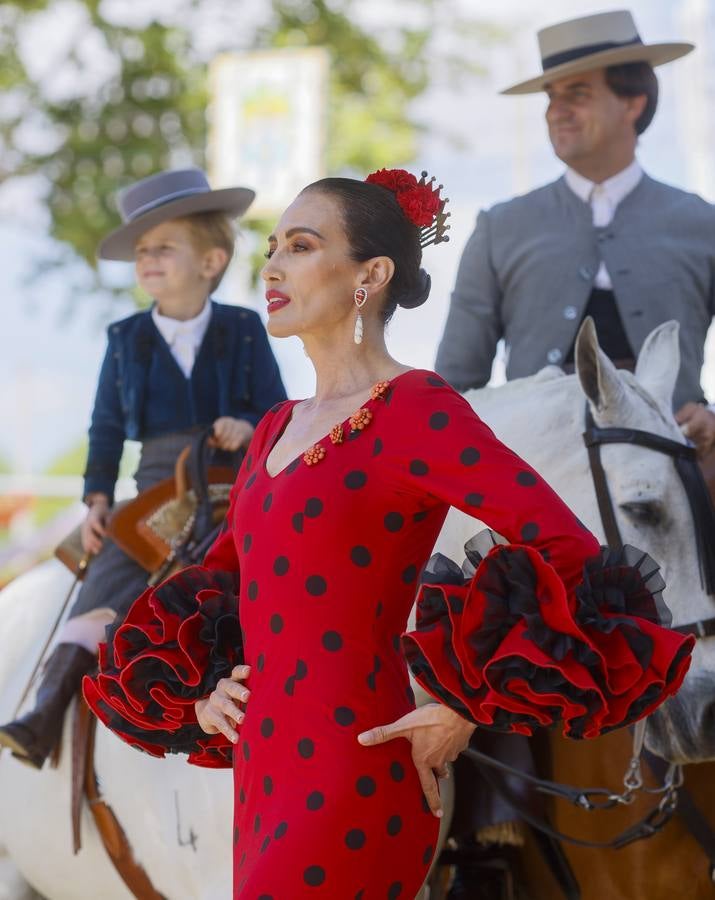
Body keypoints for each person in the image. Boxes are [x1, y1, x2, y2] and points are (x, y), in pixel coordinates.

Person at [83, 169, 693, 899]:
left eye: (301, 246)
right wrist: (205, 692)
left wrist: (467, 705)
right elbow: (222, 583)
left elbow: (570, 553)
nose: (271, 266)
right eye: (273, 246)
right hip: (263, 777)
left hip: (356, 773)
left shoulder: (415, 408)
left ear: (370, 274)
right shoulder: (275, 426)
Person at [0, 168, 286, 770]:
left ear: (210, 260)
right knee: (108, 571)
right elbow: (104, 427)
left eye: (164, 247)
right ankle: (46, 710)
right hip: (159, 487)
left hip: (236, 481)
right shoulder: (125, 337)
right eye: (141, 251)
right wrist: (97, 499)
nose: (148, 259)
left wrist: (245, 422)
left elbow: (276, 406)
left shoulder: (243, 328)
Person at [435, 9, 715, 457]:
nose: (557, 111)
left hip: (675, 463)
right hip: (534, 472)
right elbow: (455, 383)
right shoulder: (500, 227)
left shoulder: (703, 225)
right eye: (551, 95)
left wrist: (713, 416)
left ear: (632, 102)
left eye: (578, 93)